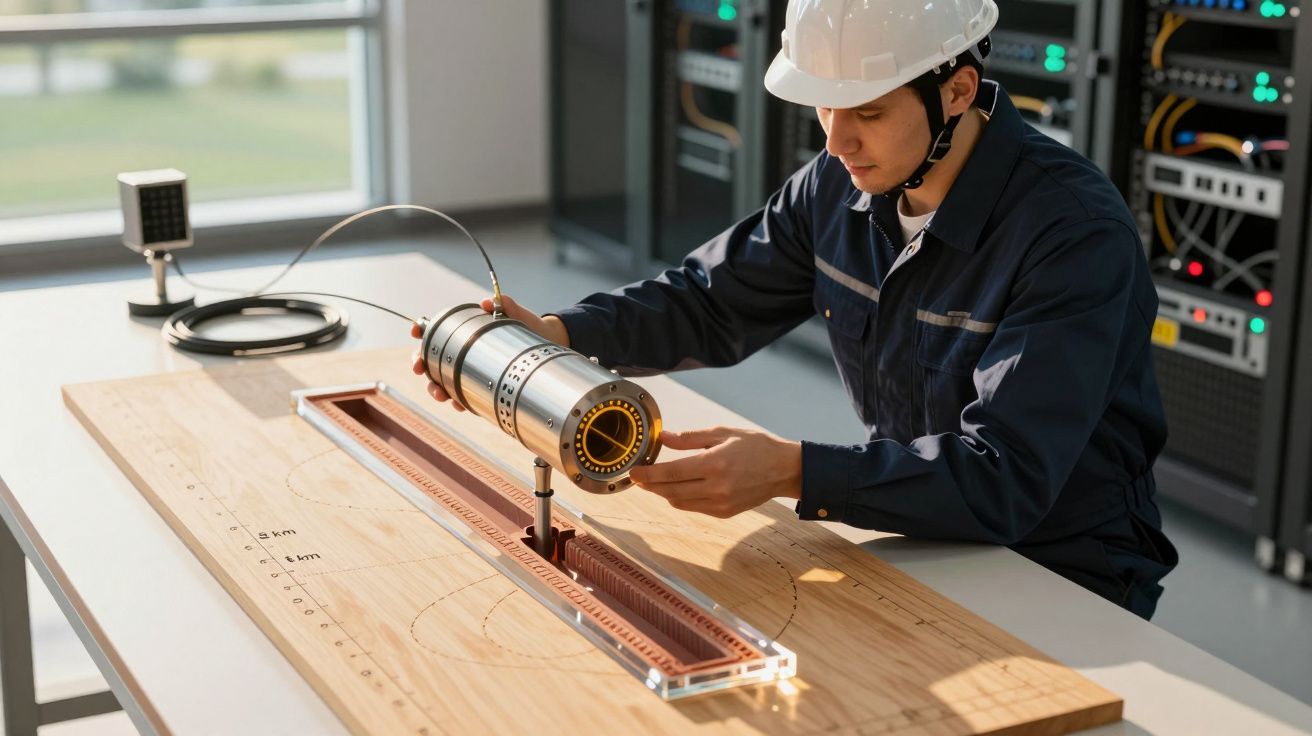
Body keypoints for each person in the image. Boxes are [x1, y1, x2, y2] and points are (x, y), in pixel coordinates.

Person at [411, 0, 1178, 619]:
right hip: (925, 533)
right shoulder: (838, 186)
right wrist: (560, 335)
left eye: (868, 112)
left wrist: (794, 469)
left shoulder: (1071, 232)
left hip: (1068, 571)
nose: (838, 141)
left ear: (957, 91)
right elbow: (708, 302)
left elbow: (1004, 476)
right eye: (824, 109)